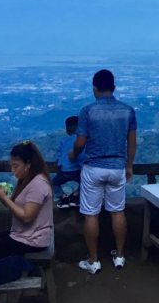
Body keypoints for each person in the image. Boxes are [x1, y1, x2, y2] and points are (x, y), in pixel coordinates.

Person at [72, 69, 137, 274]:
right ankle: (119, 256)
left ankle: (93, 260)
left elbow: (81, 142)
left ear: (95, 89)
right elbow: (132, 142)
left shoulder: (88, 111)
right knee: (117, 211)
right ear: (114, 88)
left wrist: (74, 153)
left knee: (91, 214)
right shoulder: (128, 111)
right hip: (117, 167)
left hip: (94, 168)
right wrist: (129, 165)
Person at [0, 141, 54, 262]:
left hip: (33, 240)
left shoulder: (38, 184)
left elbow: (26, 217)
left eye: (16, 166)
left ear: (28, 164)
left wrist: (4, 198)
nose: (12, 170)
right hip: (25, 234)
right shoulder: (27, 179)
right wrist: (1, 197)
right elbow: (14, 206)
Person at [53, 115, 85, 209]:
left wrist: (59, 166)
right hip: (78, 170)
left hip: (64, 171)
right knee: (87, 183)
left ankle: (63, 197)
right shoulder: (81, 140)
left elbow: (58, 156)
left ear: (67, 130)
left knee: (54, 184)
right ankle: (76, 195)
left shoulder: (64, 141)